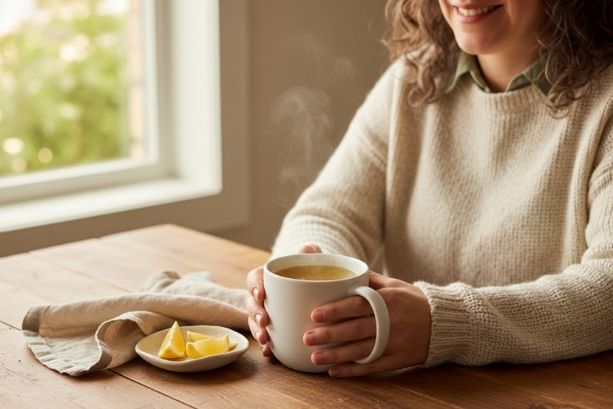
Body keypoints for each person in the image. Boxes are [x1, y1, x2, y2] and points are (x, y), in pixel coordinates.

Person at [246, 0, 613, 377]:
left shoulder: (607, 102)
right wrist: (305, 279)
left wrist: (446, 324)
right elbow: (326, 213)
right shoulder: (414, 77)